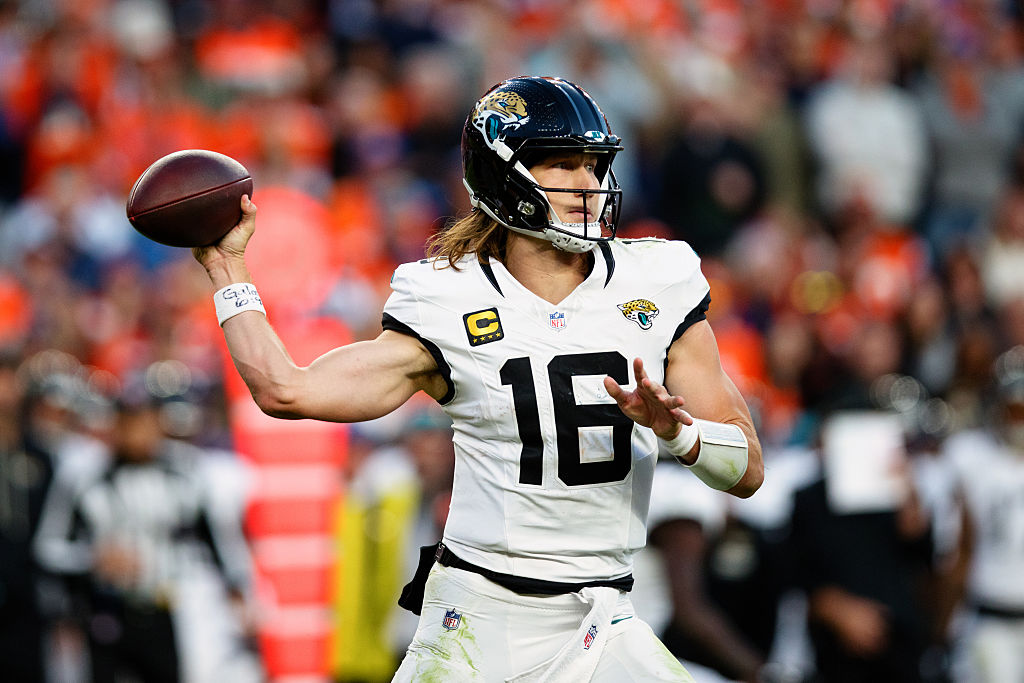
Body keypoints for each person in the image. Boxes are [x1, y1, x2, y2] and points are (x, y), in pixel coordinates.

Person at [194, 75, 763, 682]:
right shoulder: (446, 296)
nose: (588, 185)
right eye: (562, 164)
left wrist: (679, 435)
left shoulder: (656, 279)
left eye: (594, 165)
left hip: (604, 615)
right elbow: (285, 390)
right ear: (503, 177)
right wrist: (228, 269)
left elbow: (748, 470)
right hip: (481, 620)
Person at [33, 374, 258, 683]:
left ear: (158, 423)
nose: (138, 432)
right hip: (107, 612)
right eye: (130, 421)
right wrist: (92, 559)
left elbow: (218, 540)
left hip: (172, 609)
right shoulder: (85, 476)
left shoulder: (186, 472)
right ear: (116, 424)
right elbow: (48, 548)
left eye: (145, 421)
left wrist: (240, 592)